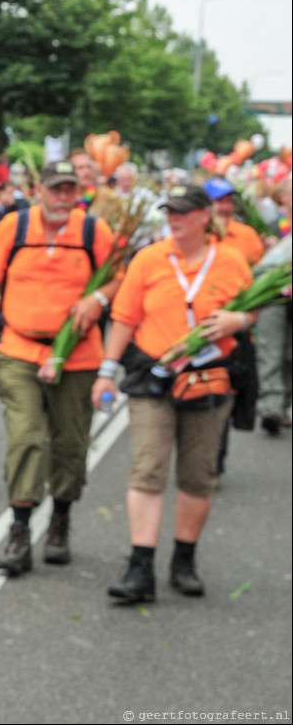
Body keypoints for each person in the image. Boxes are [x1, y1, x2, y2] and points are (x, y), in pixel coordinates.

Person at [91, 184, 254, 602]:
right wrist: (107, 372)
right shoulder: (149, 259)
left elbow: (251, 307)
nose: (174, 218)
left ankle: (184, 560)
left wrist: (238, 319)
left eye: (183, 212)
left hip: (209, 379)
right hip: (154, 377)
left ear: (205, 216)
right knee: (147, 468)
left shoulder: (232, 260)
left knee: (198, 476)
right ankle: (139, 568)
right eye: (170, 212)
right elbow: (124, 318)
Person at [0, 160, 120, 577]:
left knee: (70, 444)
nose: (63, 198)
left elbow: (119, 279)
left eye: (70, 189)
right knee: (26, 437)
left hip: (79, 355)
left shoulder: (93, 231)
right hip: (19, 350)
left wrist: (97, 300)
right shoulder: (13, 228)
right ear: (39, 190)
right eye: (56, 189)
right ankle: (18, 528)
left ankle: (61, 518)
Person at [254, 178, 291, 435]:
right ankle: (271, 408)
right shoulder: (271, 224)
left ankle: (284, 403)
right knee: (270, 352)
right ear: (283, 197)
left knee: (289, 355)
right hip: (271, 296)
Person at [205, 177, 265, 266]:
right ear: (205, 205)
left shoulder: (248, 234)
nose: (226, 208)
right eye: (219, 201)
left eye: (229, 201)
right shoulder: (198, 238)